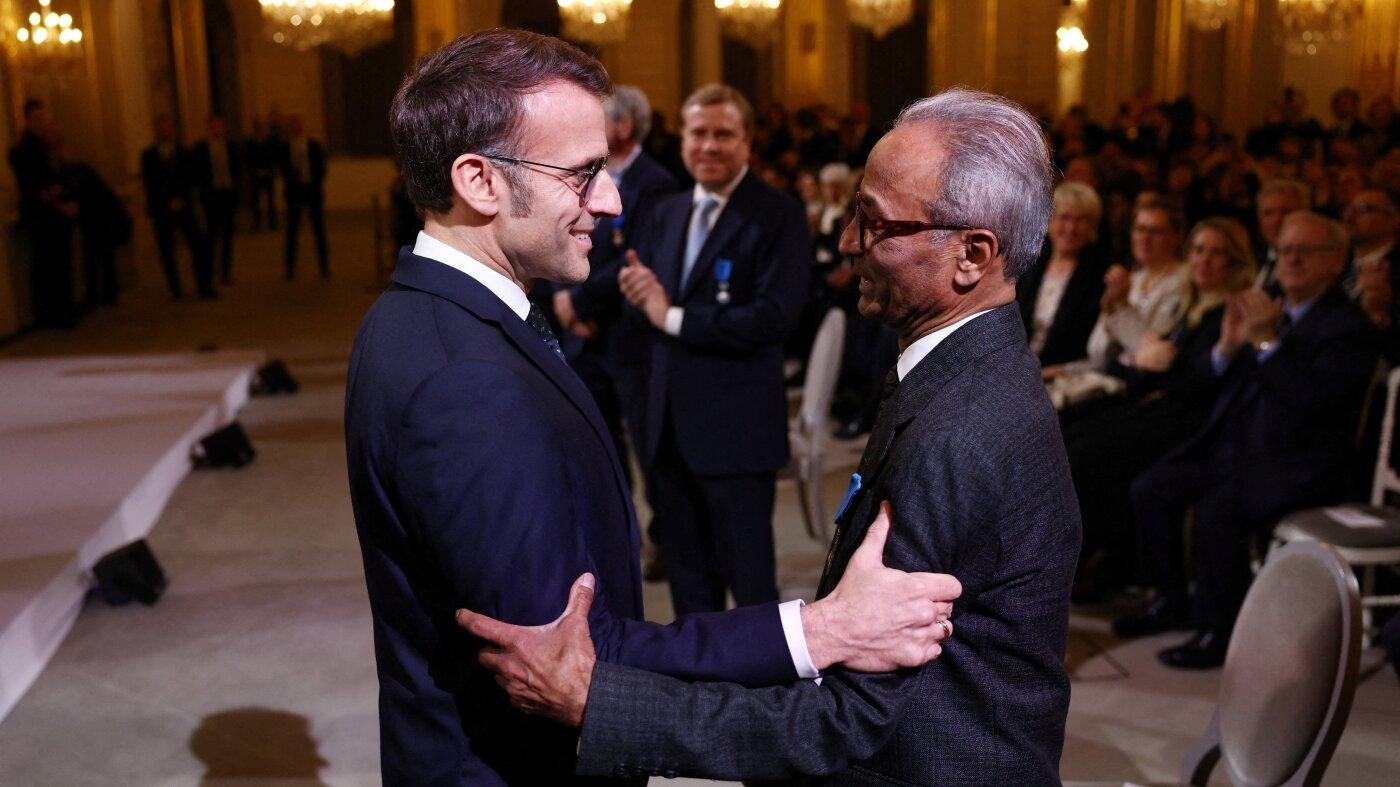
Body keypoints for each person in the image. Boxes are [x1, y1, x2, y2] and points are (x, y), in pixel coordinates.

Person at [345, 30, 960, 785]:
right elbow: (565, 664)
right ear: (480, 181)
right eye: (583, 175)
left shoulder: (417, 313)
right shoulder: (467, 381)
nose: (610, 202)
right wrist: (822, 629)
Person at [460, 88, 1082, 786]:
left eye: (875, 222)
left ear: (972, 254)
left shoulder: (960, 434)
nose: (848, 242)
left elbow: (843, 722)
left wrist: (594, 702)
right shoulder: (964, 373)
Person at [1125, 211, 1381, 669]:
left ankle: (1222, 631)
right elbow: (1212, 385)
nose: (1291, 260)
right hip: (1237, 446)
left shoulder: (1347, 327)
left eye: (1305, 251)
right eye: (1284, 250)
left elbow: (1311, 404)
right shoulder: (1272, 309)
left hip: (1301, 461)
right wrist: (1228, 348)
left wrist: (1264, 343)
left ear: (1336, 260)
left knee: (1219, 510)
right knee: (1152, 487)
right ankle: (1171, 601)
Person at [613, 83, 811, 616]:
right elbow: (646, 310)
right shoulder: (667, 212)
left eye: (724, 134)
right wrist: (639, 296)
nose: (709, 145)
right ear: (682, 141)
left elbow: (774, 319)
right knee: (689, 592)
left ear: (748, 142)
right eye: (698, 133)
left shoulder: (778, 215)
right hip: (666, 434)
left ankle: (762, 677)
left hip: (737, 435)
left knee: (751, 594)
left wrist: (672, 316)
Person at [1066, 218, 1255, 602]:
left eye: (1217, 252)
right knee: (1072, 431)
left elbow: (1195, 377)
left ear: (1234, 262)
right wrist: (1140, 356)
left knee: (1089, 451)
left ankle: (1100, 559)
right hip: (1161, 405)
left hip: (1193, 423)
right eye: (1198, 250)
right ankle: (1082, 553)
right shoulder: (1193, 305)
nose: (1204, 260)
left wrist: (1154, 359)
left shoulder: (1232, 309)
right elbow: (1156, 363)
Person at [1016, 180, 1110, 367]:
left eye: (1081, 220)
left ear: (1093, 227)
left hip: (1062, 375)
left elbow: (1090, 350)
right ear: (1050, 221)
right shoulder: (1028, 264)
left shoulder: (1101, 277)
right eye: (1064, 217)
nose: (1071, 228)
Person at [9, 99, 77, 328]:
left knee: (56, 263)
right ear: (28, 119)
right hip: (43, 215)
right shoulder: (25, 149)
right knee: (49, 265)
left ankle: (59, 311)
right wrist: (56, 199)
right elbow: (36, 185)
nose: (42, 123)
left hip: (50, 213)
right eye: (38, 118)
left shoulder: (42, 146)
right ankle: (54, 313)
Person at [141, 114, 214, 300]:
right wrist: (166, 200)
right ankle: (175, 290)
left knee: (197, 244)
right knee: (166, 250)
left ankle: (204, 286)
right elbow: (151, 182)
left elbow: (189, 177)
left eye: (167, 127)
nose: (165, 131)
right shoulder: (148, 155)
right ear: (156, 131)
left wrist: (180, 198)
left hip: (183, 204)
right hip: (161, 208)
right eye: (161, 128)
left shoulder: (183, 152)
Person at [192, 116, 242, 284]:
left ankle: (226, 273)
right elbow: (197, 172)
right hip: (211, 196)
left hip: (227, 194)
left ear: (224, 128)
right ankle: (210, 272)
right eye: (213, 127)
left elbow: (236, 169)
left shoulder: (231, 147)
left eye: (219, 127)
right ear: (208, 129)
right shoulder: (200, 148)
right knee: (211, 236)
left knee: (227, 236)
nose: (217, 130)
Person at [279, 114, 328, 279]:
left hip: (312, 190)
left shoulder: (313, 145)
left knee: (318, 230)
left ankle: (324, 267)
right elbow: (282, 169)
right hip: (294, 192)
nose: (295, 128)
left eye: (297, 124)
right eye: (292, 125)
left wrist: (315, 184)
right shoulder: (285, 147)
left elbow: (321, 167)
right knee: (292, 231)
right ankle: (290, 268)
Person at [1252, 178, 1310, 292]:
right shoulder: (1252, 257)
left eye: (1286, 212)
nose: (1277, 220)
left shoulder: (1313, 264)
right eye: (1268, 213)